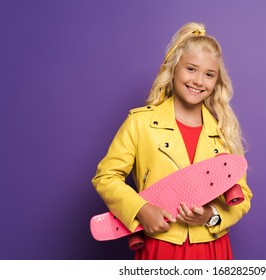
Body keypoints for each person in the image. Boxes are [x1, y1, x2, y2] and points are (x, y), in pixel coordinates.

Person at [92, 22, 252, 260]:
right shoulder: (140, 122)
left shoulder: (222, 131)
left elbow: (243, 197)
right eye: (191, 69)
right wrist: (141, 210)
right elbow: (106, 177)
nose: (199, 81)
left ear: (217, 82)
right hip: (160, 245)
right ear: (174, 69)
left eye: (209, 74)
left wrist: (211, 215)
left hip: (212, 248)